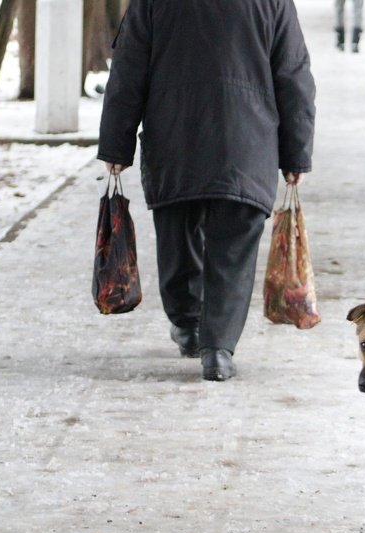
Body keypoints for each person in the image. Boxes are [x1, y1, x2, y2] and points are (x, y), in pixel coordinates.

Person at [98, 0, 316, 382]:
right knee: (232, 252)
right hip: (246, 147)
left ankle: (187, 325)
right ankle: (218, 349)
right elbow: (293, 75)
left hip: (174, 143)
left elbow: (128, 69)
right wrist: (295, 154)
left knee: (176, 240)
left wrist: (117, 146)